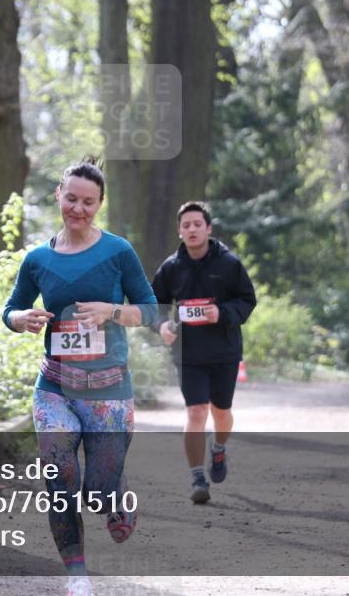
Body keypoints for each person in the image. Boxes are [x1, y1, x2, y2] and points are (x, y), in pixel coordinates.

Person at [3, 159, 158, 596]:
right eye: (71, 199)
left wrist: (112, 311)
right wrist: (20, 319)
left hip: (109, 390)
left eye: (88, 202)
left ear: (100, 204)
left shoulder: (118, 252)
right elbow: (10, 309)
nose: (78, 209)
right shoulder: (38, 259)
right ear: (59, 195)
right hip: (55, 387)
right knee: (59, 477)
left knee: (98, 491)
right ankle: (76, 574)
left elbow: (150, 311)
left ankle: (114, 491)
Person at [150, 201, 256, 504]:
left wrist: (221, 313)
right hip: (188, 353)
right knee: (196, 412)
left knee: (221, 412)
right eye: (186, 225)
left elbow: (247, 300)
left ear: (208, 228)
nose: (192, 229)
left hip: (224, 351)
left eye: (198, 224)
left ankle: (218, 448)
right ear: (180, 231)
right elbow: (153, 304)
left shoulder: (229, 264)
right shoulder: (171, 267)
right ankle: (197, 477)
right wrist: (161, 325)